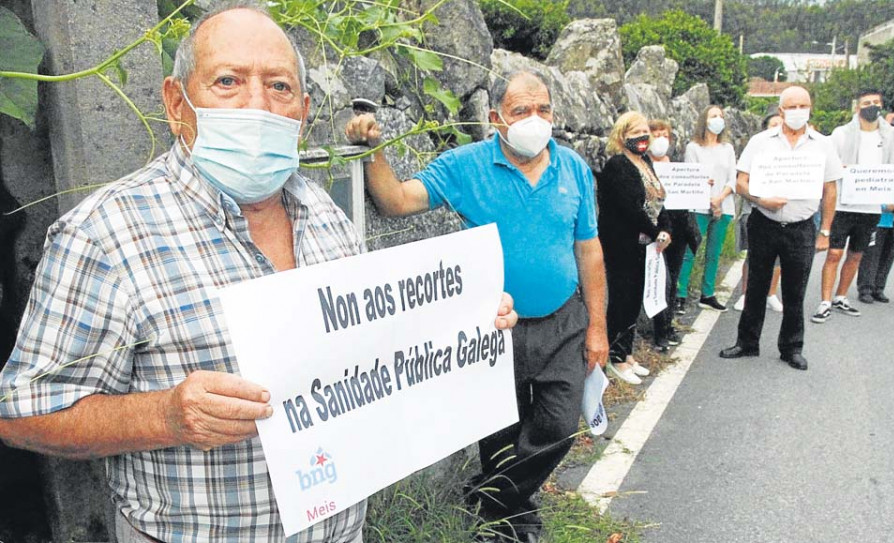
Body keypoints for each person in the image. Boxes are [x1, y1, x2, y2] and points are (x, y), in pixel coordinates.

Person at [0, 5, 519, 543]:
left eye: (279, 87)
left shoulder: (327, 215)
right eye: (227, 81)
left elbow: (374, 347)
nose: (257, 106)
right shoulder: (103, 236)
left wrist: (465, 319)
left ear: (302, 112)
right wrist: (167, 416)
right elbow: (22, 415)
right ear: (178, 103)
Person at [344, 70, 608, 543]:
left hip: (563, 320)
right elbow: (397, 201)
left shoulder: (573, 169)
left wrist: (598, 328)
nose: (535, 120)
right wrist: (373, 150)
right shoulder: (465, 166)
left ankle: (491, 499)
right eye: (521, 111)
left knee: (559, 425)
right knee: (499, 430)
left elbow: (589, 250)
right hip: (492, 325)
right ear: (495, 118)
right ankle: (509, 519)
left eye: (543, 110)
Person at [720, 86, 841, 371]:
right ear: (781, 110)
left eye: (804, 105)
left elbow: (830, 189)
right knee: (756, 285)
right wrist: (761, 199)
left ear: (810, 108)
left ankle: (792, 348)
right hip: (765, 222)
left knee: (795, 291)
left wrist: (825, 230)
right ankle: (747, 342)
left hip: (801, 227)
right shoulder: (761, 142)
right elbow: (741, 182)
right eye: (793, 106)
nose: (799, 111)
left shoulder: (823, 144)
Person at [596, 112, 672, 383]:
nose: (641, 136)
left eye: (644, 131)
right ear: (621, 136)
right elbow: (631, 208)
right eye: (634, 132)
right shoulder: (618, 165)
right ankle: (616, 358)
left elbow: (658, 200)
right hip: (622, 244)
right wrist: (656, 232)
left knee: (633, 299)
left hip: (644, 245)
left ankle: (626, 353)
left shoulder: (645, 162)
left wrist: (665, 229)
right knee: (621, 299)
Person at [812, 88, 894, 323]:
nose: (872, 106)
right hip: (843, 204)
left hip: (870, 208)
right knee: (834, 253)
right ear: (857, 107)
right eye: (866, 102)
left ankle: (842, 296)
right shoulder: (841, 134)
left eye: (876, 102)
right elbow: (828, 165)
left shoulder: (892, 136)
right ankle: (825, 301)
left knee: (856, 255)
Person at [676, 105, 736, 312]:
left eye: (720, 116)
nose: (718, 119)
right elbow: (692, 175)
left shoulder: (727, 148)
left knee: (714, 252)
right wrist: (711, 201)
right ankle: (680, 293)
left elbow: (732, 178)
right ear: (704, 120)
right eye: (713, 116)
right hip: (699, 206)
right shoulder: (694, 147)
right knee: (690, 250)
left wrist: (719, 200)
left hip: (723, 205)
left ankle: (708, 293)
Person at [648, 119, 701, 352]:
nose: (661, 139)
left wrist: (701, 185)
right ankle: (658, 330)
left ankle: (667, 325)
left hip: (679, 229)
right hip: (656, 229)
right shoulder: (645, 165)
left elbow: (689, 194)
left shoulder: (677, 166)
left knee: (672, 279)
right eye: (656, 134)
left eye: (664, 134)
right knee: (659, 280)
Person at [733, 108, 784, 313]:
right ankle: (746, 293)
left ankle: (770, 294)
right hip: (755, 208)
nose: (778, 128)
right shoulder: (756, 148)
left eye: (781, 124)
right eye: (774, 125)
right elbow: (741, 181)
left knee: (778, 258)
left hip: (782, 212)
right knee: (753, 255)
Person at [857, 205, 894, 304]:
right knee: (872, 255)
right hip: (879, 219)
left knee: (889, 255)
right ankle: (866, 288)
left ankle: (878, 287)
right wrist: (886, 205)